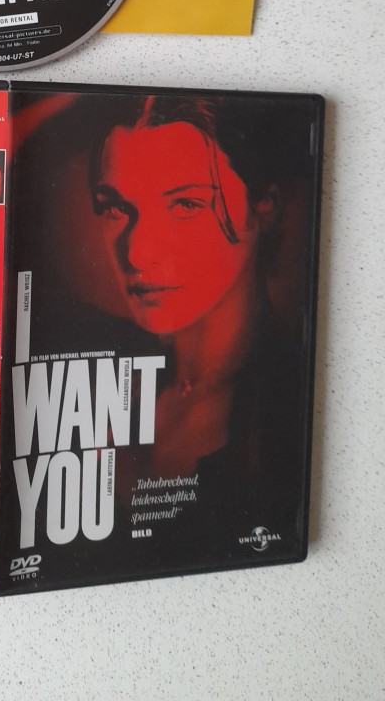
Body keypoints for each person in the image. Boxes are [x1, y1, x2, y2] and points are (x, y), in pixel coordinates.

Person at [89, 94, 296, 498]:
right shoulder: (100, 360)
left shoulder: (285, 411)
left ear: (263, 205)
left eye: (186, 204)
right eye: (115, 207)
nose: (137, 252)